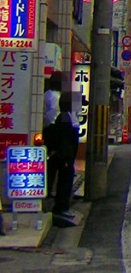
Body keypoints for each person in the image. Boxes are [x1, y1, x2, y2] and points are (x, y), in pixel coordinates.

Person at [45, 91, 79, 227]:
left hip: (65, 157)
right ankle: (61, 208)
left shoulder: (66, 116)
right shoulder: (65, 117)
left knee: (65, 182)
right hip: (65, 158)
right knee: (64, 183)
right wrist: (66, 158)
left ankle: (63, 207)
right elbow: (65, 140)